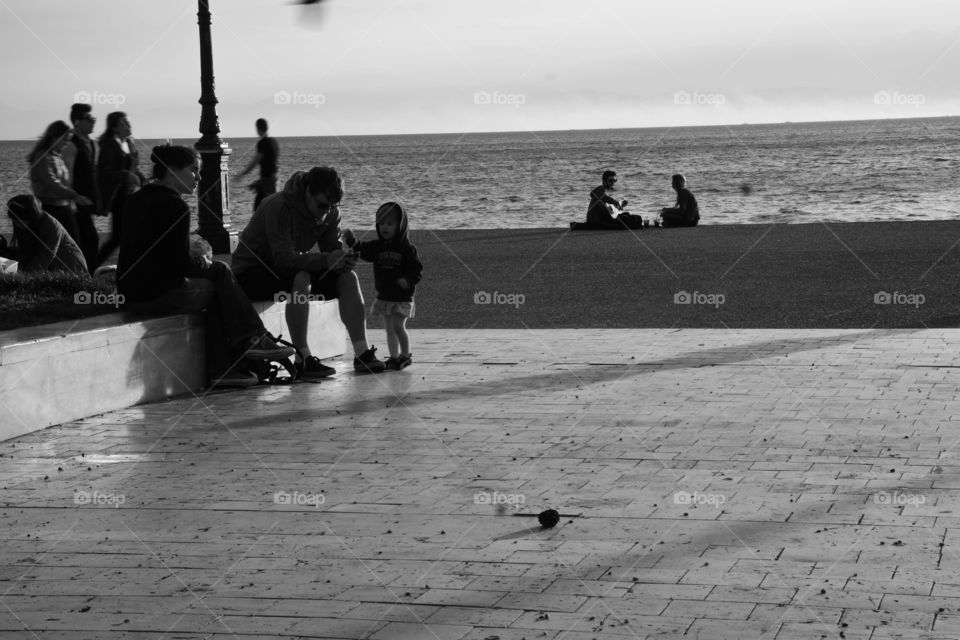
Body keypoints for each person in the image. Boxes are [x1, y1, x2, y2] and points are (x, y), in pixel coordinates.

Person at [117, 144, 295, 388]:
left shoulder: (135, 200)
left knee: (217, 288)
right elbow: (178, 266)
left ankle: (234, 363)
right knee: (220, 274)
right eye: (193, 170)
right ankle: (245, 348)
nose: (199, 177)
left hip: (129, 292)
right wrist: (203, 262)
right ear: (171, 170)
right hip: (158, 295)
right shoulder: (175, 206)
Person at [231, 166, 387, 378]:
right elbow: (283, 258)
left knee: (347, 277)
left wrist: (343, 260)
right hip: (250, 271)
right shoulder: (279, 206)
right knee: (301, 276)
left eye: (333, 206)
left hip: (287, 268)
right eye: (322, 205)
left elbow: (330, 250)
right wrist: (327, 260)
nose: (326, 212)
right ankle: (302, 358)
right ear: (307, 192)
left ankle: (362, 353)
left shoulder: (330, 211)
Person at [342, 202, 423, 371]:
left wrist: (407, 280)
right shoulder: (377, 246)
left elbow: (416, 270)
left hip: (402, 297)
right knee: (389, 329)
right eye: (381, 223)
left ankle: (406, 355)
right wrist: (351, 240)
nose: (385, 227)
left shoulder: (407, 248)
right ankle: (394, 358)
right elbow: (362, 249)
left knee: (398, 326)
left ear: (400, 225)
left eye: (390, 223)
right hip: (385, 296)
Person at [27, 120, 93, 244]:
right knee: (55, 245)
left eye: (68, 140)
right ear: (54, 138)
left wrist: (72, 202)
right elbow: (51, 182)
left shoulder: (57, 156)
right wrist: (75, 196)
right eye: (64, 140)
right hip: (49, 208)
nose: (67, 144)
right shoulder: (42, 156)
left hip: (64, 207)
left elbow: (64, 182)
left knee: (73, 244)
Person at [96, 111, 144, 269]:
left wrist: (144, 181)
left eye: (128, 122)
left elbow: (133, 169)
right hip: (119, 196)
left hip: (129, 194)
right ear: (114, 127)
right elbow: (104, 173)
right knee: (120, 237)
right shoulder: (110, 144)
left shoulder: (128, 143)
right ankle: (92, 268)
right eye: (124, 123)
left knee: (126, 235)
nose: (128, 125)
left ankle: (127, 268)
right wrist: (126, 176)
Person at [61, 103, 101, 271]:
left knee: (86, 240)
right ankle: (86, 278)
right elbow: (65, 175)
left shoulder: (92, 144)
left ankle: (85, 276)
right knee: (88, 240)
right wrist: (72, 200)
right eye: (89, 119)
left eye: (94, 118)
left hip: (87, 202)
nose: (93, 122)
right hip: (75, 203)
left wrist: (98, 198)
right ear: (77, 121)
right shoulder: (70, 145)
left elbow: (93, 173)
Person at [6, 194, 87, 275]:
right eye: (15, 221)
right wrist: (15, 269)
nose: (18, 224)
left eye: (20, 221)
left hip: (70, 268)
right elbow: (23, 252)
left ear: (32, 217)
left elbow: (46, 256)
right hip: (47, 267)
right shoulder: (22, 226)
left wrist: (24, 276)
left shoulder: (51, 225)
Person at [238, 118, 279, 212]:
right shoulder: (274, 142)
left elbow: (255, 161)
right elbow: (270, 164)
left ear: (258, 129)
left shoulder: (262, 143)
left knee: (260, 210)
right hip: (273, 180)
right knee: (264, 209)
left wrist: (242, 173)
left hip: (267, 182)